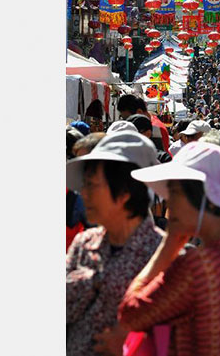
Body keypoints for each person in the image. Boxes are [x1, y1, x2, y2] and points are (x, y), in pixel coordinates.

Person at [113, 141, 220, 356]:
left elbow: (129, 314)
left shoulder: (197, 266)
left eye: (175, 193)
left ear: (207, 198)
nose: (171, 204)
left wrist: (168, 246)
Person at [65, 132, 163, 356]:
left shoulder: (161, 254)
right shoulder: (84, 243)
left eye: (92, 186)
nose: (84, 195)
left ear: (124, 192)